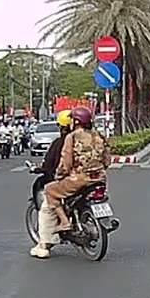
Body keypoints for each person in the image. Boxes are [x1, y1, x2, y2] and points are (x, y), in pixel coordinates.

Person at [38, 107, 110, 259]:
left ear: (76, 122)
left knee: (50, 190)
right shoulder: (99, 136)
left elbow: (66, 163)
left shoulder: (72, 137)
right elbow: (107, 161)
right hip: (100, 178)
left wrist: (59, 176)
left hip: (78, 180)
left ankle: (64, 222)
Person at [29, 109, 74, 258]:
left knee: (47, 204)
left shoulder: (65, 142)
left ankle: (45, 244)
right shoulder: (94, 138)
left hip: (74, 181)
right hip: (97, 180)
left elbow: (61, 166)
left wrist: (57, 175)